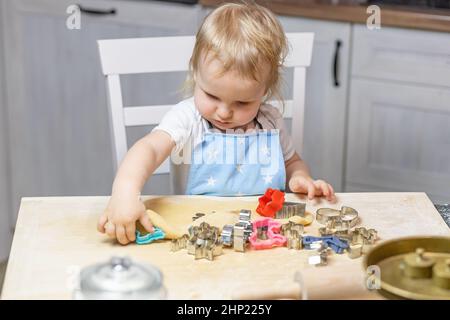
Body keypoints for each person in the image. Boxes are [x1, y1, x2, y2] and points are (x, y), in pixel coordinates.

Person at [98, 2, 335, 245]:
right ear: (196, 72)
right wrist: (125, 190)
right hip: (200, 233)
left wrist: (299, 177)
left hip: (263, 234)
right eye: (212, 96)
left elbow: (291, 161)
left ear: (265, 91)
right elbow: (149, 148)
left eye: (242, 102)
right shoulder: (188, 117)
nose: (223, 112)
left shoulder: (270, 120)